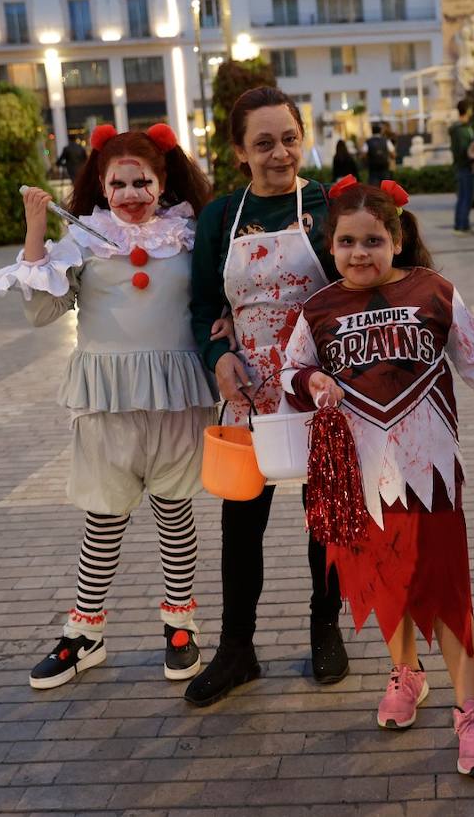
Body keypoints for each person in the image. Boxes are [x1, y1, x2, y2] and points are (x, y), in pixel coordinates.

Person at [281, 177, 474, 777]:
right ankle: (406, 673)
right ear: (330, 245)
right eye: (348, 242)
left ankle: (471, 709)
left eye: (374, 240)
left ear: (398, 237)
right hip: (359, 474)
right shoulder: (319, 308)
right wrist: (310, 383)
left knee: (445, 587)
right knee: (384, 581)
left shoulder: (434, 292)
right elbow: (290, 371)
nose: (361, 253)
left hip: (429, 471)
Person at [0, 124, 217, 690]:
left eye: (143, 181)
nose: (131, 193)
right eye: (119, 183)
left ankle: (180, 627)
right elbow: (44, 312)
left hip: (177, 395)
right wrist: (37, 229)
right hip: (107, 399)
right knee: (104, 517)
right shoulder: (84, 240)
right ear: (101, 184)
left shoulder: (189, 234)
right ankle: (84, 632)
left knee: (175, 514)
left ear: (162, 183)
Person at [188, 87, 348, 706]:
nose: (279, 153)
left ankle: (324, 626)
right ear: (238, 152)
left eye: (289, 138)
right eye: (263, 143)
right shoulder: (219, 217)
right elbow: (203, 306)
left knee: (324, 518)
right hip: (248, 389)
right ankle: (237, 650)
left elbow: (365, 282)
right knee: (240, 522)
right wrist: (217, 356)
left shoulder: (330, 205)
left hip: (318, 386)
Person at [449, 100, 474, 234]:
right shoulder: (460, 129)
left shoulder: (464, 127)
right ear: (467, 110)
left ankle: (464, 224)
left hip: (465, 166)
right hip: (464, 166)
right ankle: (460, 225)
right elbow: (462, 149)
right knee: (464, 196)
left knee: (466, 196)